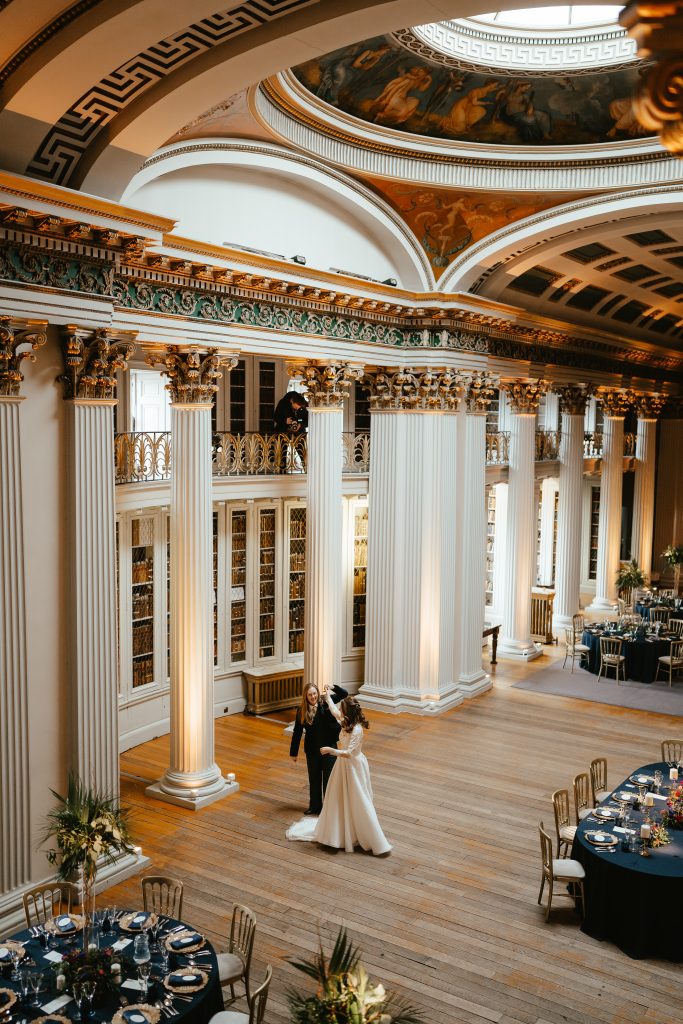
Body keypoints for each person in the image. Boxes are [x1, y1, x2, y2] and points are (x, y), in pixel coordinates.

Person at [287, 693, 391, 856]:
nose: (339, 712)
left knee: (358, 798)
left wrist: (330, 750)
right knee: (337, 796)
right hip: (342, 766)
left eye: (342, 709)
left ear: (348, 712)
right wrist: (328, 697)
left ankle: (365, 833)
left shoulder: (356, 729)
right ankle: (338, 832)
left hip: (353, 766)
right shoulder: (346, 722)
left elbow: (349, 753)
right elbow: (335, 712)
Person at [290, 682, 347, 814]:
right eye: (310, 694)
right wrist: (294, 752)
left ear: (317, 693)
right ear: (306, 696)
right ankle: (315, 806)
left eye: (314, 693)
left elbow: (344, 694)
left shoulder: (326, 701)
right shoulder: (301, 710)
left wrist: (332, 687)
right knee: (314, 778)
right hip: (312, 749)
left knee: (329, 779)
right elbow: (297, 732)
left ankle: (328, 808)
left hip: (329, 747)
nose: (313, 696)